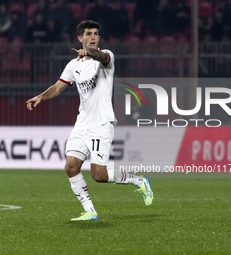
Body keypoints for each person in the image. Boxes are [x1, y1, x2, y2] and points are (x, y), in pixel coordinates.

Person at [26, 20, 153, 221]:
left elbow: (102, 57)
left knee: (99, 175)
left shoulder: (107, 57)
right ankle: (90, 211)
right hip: (82, 123)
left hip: (101, 124)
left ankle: (139, 181)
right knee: (71, 166)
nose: (93, 37)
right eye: (88, 34)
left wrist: (90, 53)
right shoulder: (73, 65)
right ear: (79, 38)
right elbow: (58, 87)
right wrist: (41, 96)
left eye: (96, 33)